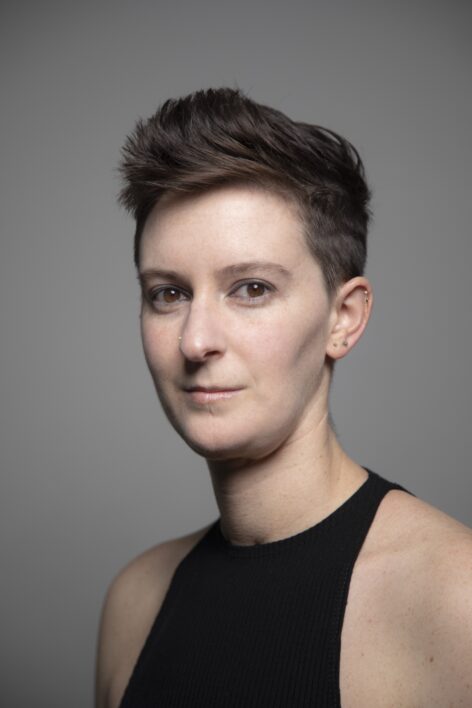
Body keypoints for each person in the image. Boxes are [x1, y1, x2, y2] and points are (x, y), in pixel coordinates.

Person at [95, 88, 472, 708]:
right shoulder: (133, 603)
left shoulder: (453, 598)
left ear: (343, 318)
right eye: (168, 294)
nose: (195, 341)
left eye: (250, 288)